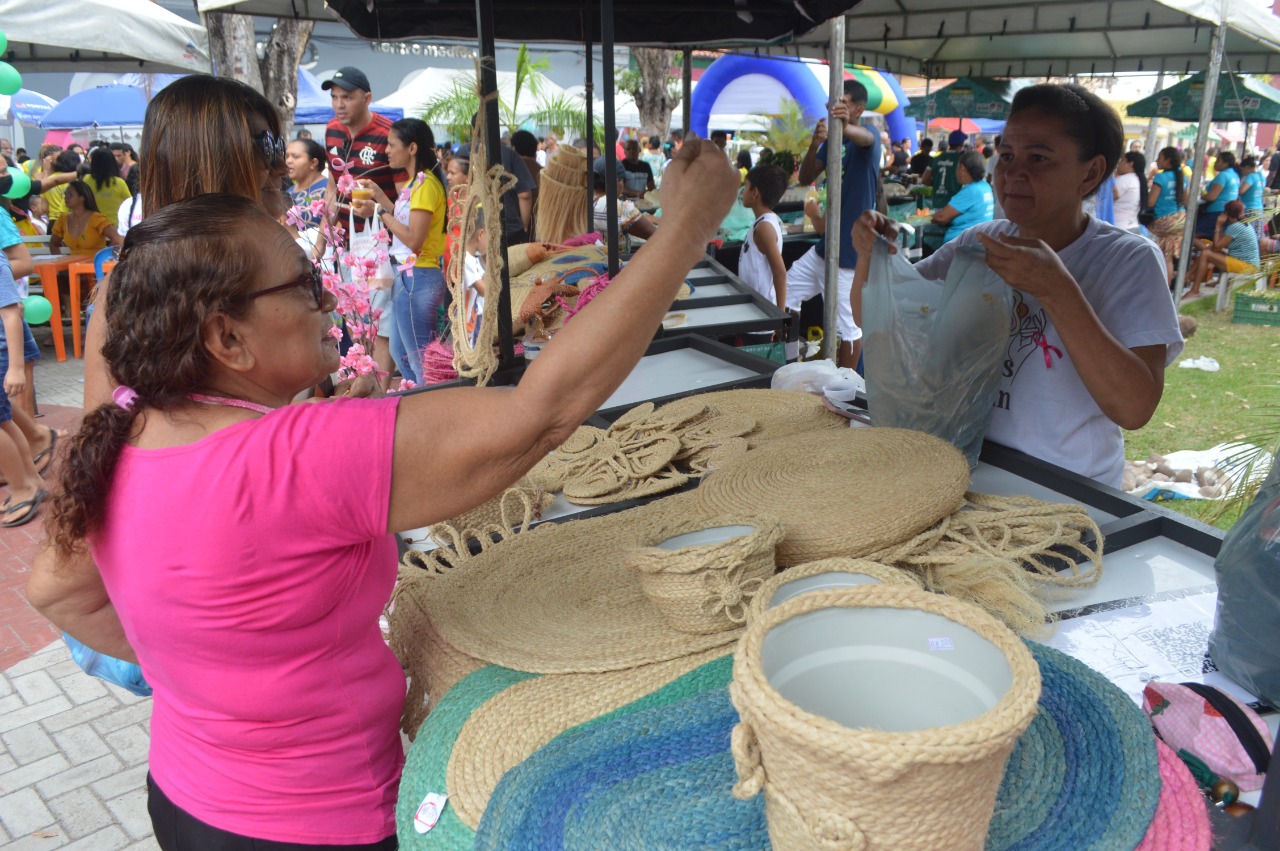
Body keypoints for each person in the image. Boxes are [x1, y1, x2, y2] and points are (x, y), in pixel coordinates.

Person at [27, 137, 737, 850]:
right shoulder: (296, 455)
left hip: (184, 799)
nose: (326, 298)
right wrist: (684, 227)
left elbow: (57, 591)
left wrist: (205, 671)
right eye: (303, 285)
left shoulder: (128, 425)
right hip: (317, 828)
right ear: (227, 338)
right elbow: (542, 414)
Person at [852, 82, 1182, 488]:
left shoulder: (1127, 260)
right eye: (1006, 155)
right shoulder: (979, 243)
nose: (1011, 173)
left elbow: (1135, 408)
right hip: (965, 471)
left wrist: (1057, 289)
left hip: (1067, 490)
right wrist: (871, 256)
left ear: (1091, 172)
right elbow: (874, 319)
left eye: (1038, 158)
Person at [82, 74, 294, 414]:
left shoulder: (276, 264)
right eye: (265, 146)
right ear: (205, 159)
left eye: (279, 146)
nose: (282, 167)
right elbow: (102, 425)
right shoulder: (131, 288)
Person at [788, 79, 881, 369]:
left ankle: (845, 386)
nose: (835, 107)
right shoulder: (832, 140)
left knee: (849, 329)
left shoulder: (869, 136)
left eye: (843, 103)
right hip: (825, 248)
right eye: (834, 103)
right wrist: (815, 143)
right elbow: (806, 178)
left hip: (849, 253)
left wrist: (841, 126)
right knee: (784, 294)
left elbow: (864, 137)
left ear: (858, 110)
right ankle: (789, 359)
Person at [353, 118, 448, 386]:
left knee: (420, 361)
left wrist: (379, 211)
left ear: (412, 148)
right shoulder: (414, 184)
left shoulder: (425, 185)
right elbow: (403, 219)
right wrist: (379, 196)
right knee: (401, 354)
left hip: (419, 276)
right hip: (409, 277)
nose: (387, 151)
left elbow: (414, 238)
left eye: (392, 145)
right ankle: (420, 397)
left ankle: (430, 404)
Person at [323, 67, 404, 232]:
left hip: (384, 240)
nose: (339, 105)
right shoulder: (332, 129)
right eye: (334, 97)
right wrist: (322, 241)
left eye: (347, 97)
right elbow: (332, 188)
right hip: (346, 239)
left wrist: (377, 209)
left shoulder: (389, 135)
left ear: (367, 99)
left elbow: (405, 204)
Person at [454, 113, 536, 245]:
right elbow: (525, 195)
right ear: (496, 128)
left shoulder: (463, 152)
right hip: (509, 229)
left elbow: (456, 189)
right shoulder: (509, 154)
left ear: (474, 129)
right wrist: (524, 226)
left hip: (471, 227)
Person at [1186, 200, 1259, 300]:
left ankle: (1194, 290)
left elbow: (1216, 247)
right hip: (1247, 264)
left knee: (1206, 254)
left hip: (1246, 266)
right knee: (1208, 250)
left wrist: (1218, 225)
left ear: (1227, 214)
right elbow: (1217, 246)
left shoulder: (1235, 227)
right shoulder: (1242, 223)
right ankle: (1189, 276)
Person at [739, 164, 788, 310]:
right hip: (753, 307)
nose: (742, 192)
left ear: (755, 193)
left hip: (761, 309)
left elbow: (780, 272)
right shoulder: (762, 222)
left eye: (746, 187)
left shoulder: (764, 228)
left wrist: (780, 315)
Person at [1145, 146, 1188, 283]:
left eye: (1159, 158)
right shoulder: (1183, 177)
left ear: (1168, 160)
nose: (1157, 161)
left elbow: (1150, 202)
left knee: (1143, 237)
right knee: (1167, 257)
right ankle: (1166, 289)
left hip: (1163, 221)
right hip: (1180, 219)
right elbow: (1187, 201)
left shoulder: (1161, 177)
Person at [931, 150, 993, 243]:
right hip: (976, 240)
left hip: (961, 244)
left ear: (962, 168)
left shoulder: (971, 191)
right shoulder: (985, 186)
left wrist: (928, 217)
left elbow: (942, 217)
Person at [49, 181, 122, 255]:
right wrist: (59, 260)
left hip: (95, 262)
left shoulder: (96, 218)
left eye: (69, 195)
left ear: (82, 197)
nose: (65, 198)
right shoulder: (63, 219)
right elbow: (53, 244)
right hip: (72, 262)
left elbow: (117, 239)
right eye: (65, 194)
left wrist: (104, 257)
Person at [285, 138, 330, 230]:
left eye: (295, 156)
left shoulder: (329, 189)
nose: (288, 161)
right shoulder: (287, 192)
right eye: (287, 156)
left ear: (313, 163)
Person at [83, 148, 131, 229]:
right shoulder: (119, 182)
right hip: (114, 226)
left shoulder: (86, 180)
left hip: (92, 225)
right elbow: (129, 202)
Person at [1198, 150, 1239, 236]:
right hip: (1228, 211)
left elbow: (1212, 196)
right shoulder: (1235, 175)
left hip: (1217, 211)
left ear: (1226, 163)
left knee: (1196, 234)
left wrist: (1202, 196)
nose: (1215, 163)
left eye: (1218, 161)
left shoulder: (1223, 175)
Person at [1112, 150, 1146, 234]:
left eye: (1122, 160)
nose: (1119, 164)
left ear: (1130, 164)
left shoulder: (1125, 180)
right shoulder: (1139, 180)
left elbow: (1107, 198)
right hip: (1132, 226)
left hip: (1119, 226)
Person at [1238, 155, 1266, 240]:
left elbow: (1241, 191)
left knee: (1247, 235)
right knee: (1256, 236)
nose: (1243, 172)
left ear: (1247, 167)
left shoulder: (1251, 176)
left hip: (1249, 209)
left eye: (1242, 170)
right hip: (1259, 209)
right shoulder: (1261, 176)